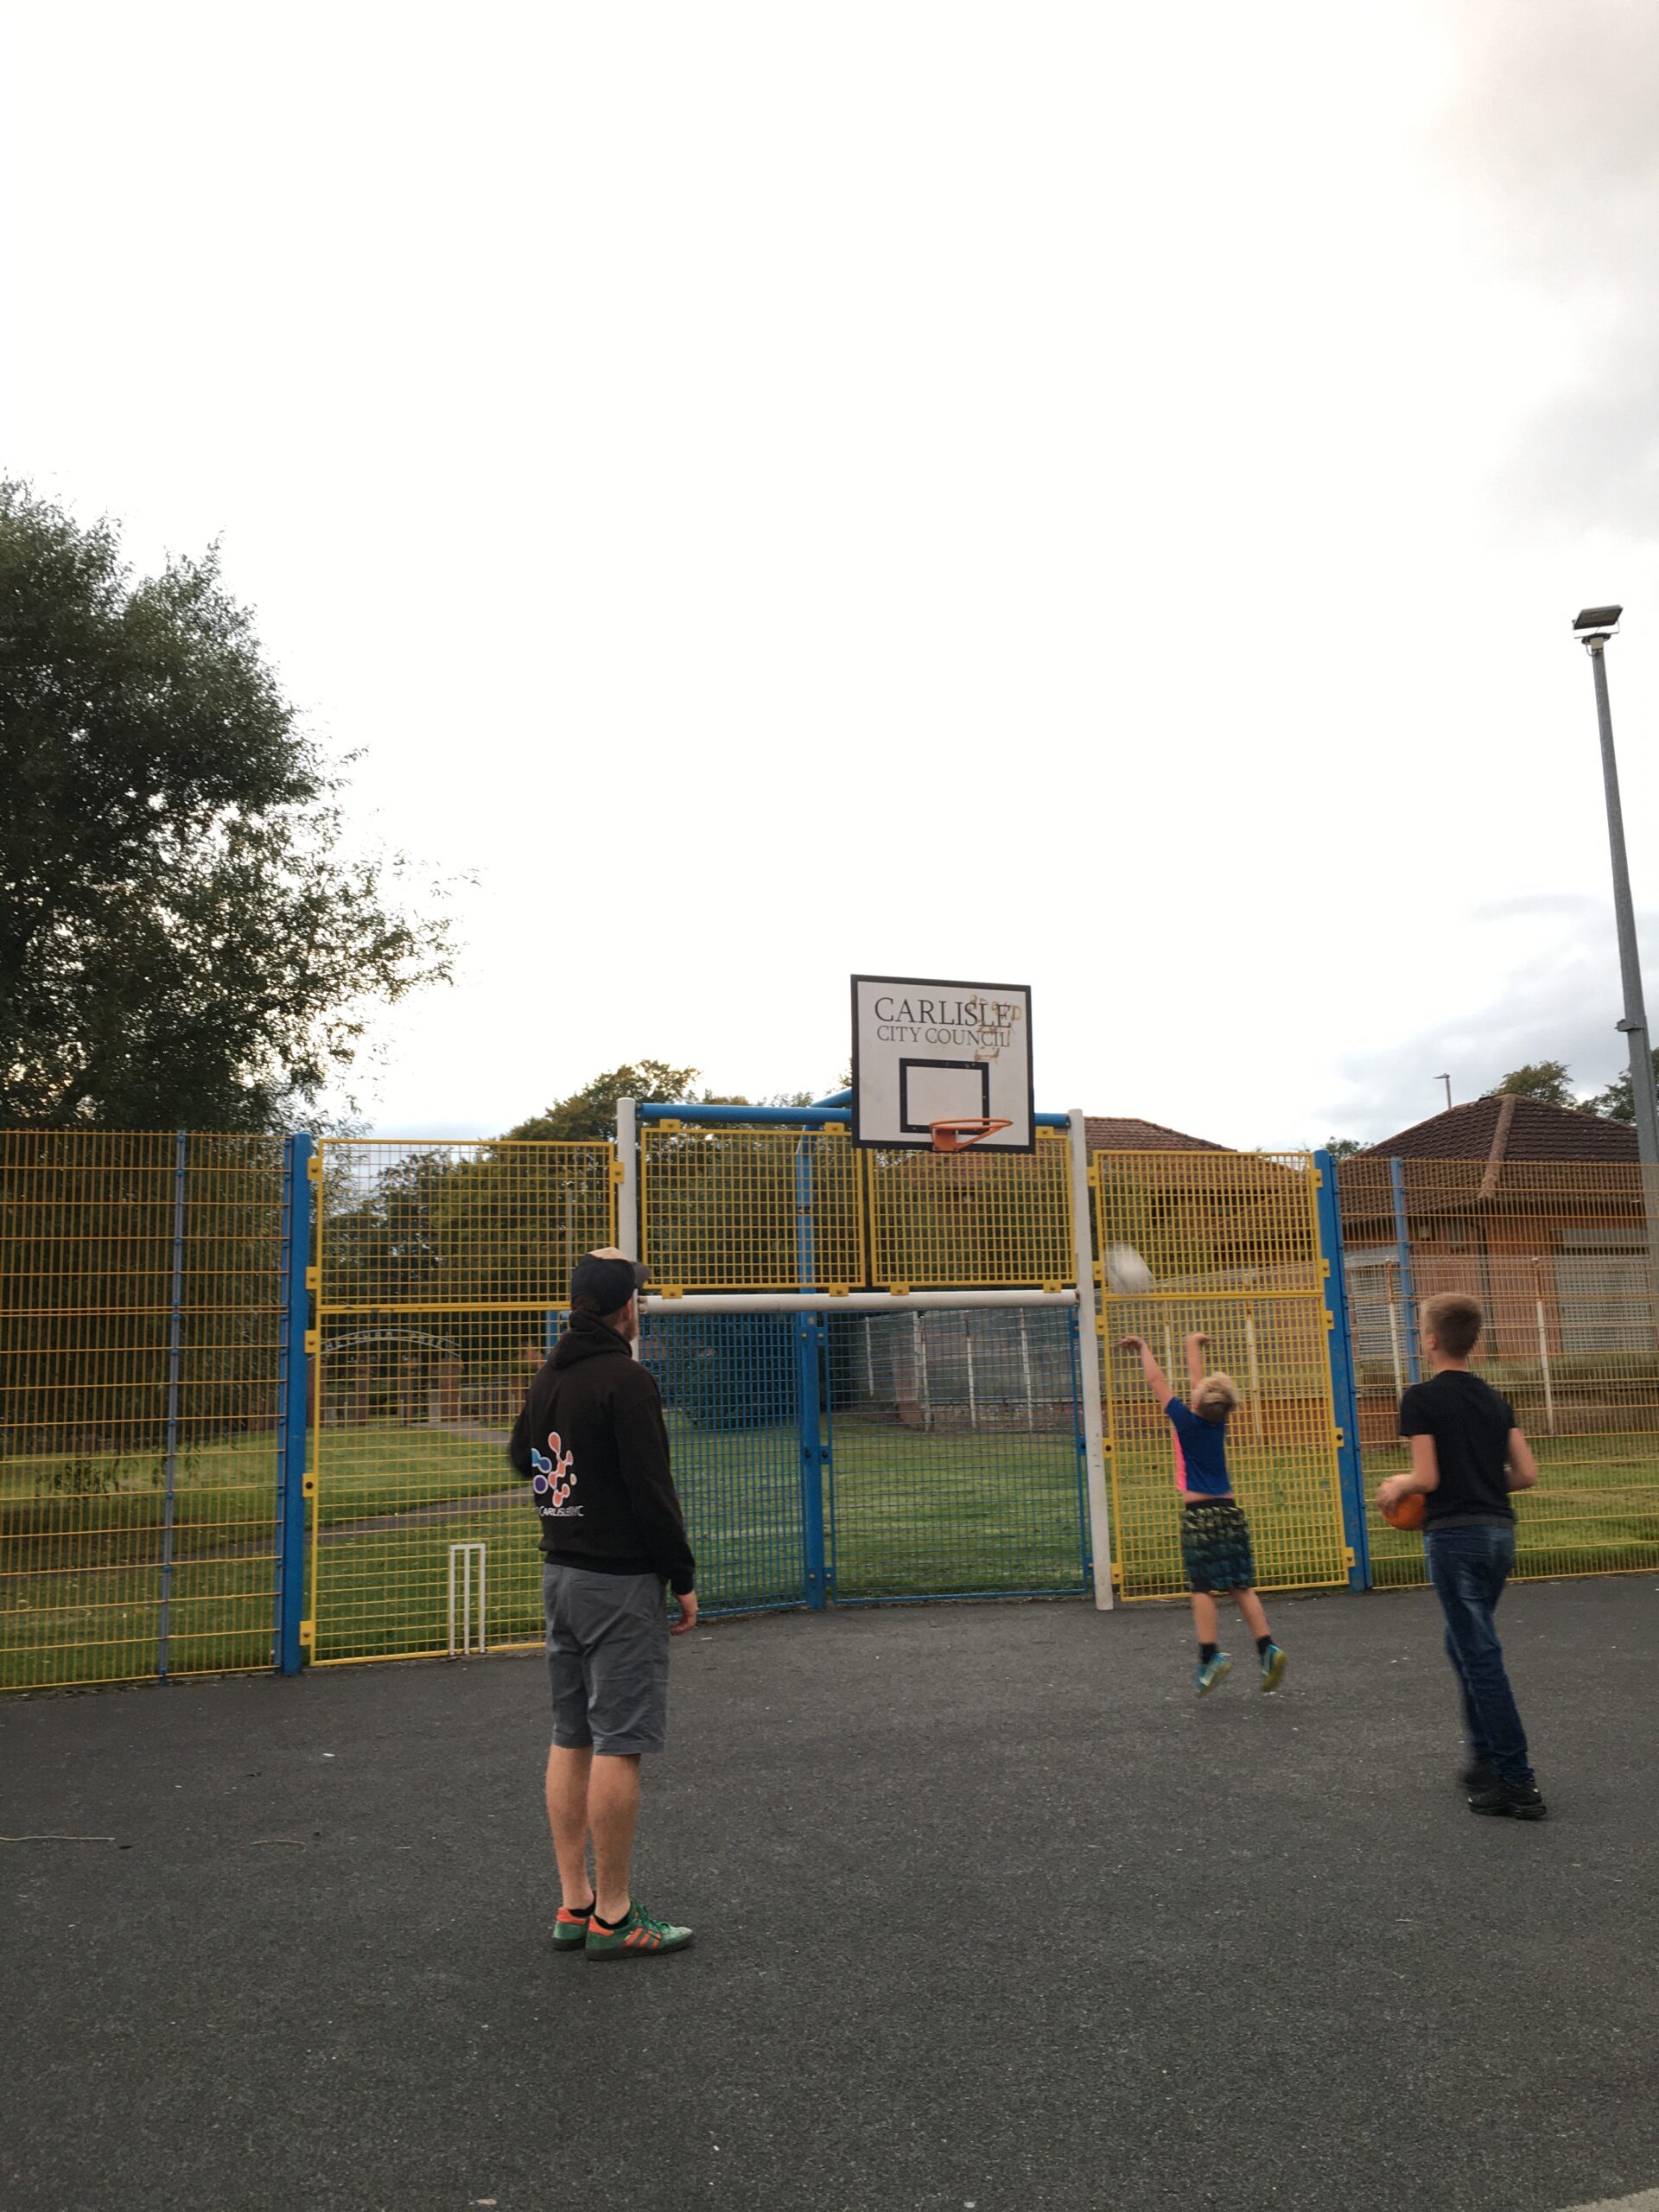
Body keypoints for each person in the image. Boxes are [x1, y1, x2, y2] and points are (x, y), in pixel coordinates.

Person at [509, 1247, 699, 1956]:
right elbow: (653, 1491)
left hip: (559, 1573)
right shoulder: (626, 1379)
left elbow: (520, 1458)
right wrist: (681, 1577)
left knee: (571, 1735)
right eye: (637, 1300)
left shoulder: (549, 1377)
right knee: (620, 1741)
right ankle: (615, 1919)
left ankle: (574, 1903)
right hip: (618, 1584)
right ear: (625, 1308)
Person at [1378, 1292, 1545, 1820]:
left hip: (1455, 1539)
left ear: (1430, 1340)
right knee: (1464, 1643)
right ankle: (1485, 1761)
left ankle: (1518, 1782)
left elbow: (1426, 1478)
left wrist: (1394, 1487)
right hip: (1499, 1536)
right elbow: (1526, 1474)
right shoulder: (1496, 1399)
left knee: (1481, 1657)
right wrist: (1480, 1482)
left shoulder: (1421, 1398)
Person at [1120, 1331, 1287, 1695]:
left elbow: (1156, 1381)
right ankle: (1266, 1647)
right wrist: (1192, 1346)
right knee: (1240, 1585)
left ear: (1195, 1403)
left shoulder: (1187, 1422)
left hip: (1200, 1517)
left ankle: (1209, 1656)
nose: (1193, 1389)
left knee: (1202, 1588)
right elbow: (1199, 1385)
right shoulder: (1215, 1420)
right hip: (1230, 1512)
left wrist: (1144, 1347)